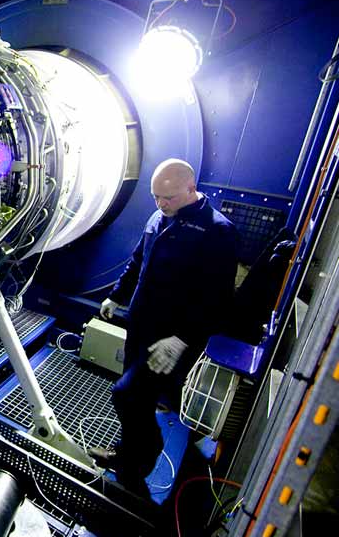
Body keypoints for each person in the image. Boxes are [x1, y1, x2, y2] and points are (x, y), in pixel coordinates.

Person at [92, 159, 237, 496]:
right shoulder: (159, 217)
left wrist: (182, 339)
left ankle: (137, 468)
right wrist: (117, 296)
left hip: (169, 339)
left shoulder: (218, 231)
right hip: (140, 325)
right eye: (155, 196)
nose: (160, 203)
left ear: (191, 188)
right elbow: (137, 261)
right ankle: (125, 453)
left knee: (126, 394)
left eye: (168, 197)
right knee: (137, 402)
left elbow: (217, 299)